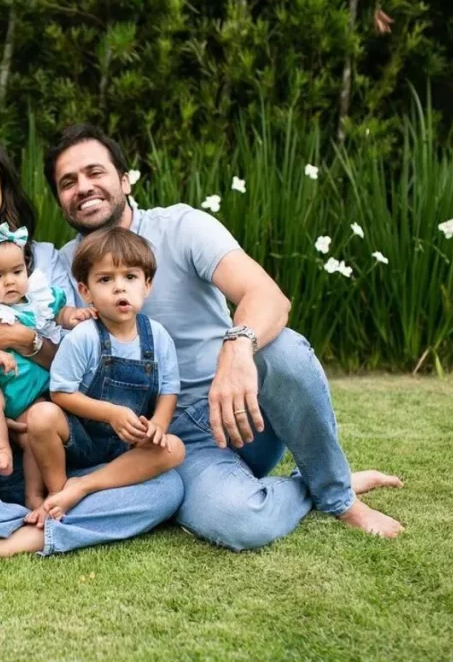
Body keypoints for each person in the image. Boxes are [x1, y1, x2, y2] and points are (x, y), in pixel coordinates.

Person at [44, 123, 404, 551]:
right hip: (159, 443)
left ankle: (337, 494)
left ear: (124, 180)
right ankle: (302, 485)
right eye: (68, 182)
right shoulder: (62, 269)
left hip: (234, 410)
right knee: (239, 521)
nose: (83, 188)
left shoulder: (183, 227)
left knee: (283, 350)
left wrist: (237, 348)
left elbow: (267, 295)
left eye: (95, 172)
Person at [0, 128, 184, 582]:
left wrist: (18, 340)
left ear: (3, 182)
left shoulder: (50, 262)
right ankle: (47, 520)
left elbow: (82, 356)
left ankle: (26, 528)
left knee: (166, 486)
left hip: (52, 449)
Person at [30, 227, 186, 526]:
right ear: (85, 291)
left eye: (130, 277)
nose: (119, 288)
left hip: (128, 447)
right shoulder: (84, 336)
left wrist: (158, 426)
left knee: (174, 448)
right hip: (81, 441)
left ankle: (84, 487)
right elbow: (61, 393)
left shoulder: (156, 336)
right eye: (105, 279)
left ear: (147, 285)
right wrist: (111, 413)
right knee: (41, 415)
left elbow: (169, 390)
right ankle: (58, 491)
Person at [0, 223, 93, 482]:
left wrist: (74, 316)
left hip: (32, 391)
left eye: (17, 271)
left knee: (34, 437)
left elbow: (59, 314)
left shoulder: (38, 298)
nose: (10, 281)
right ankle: (1, 451)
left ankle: (36, 496)